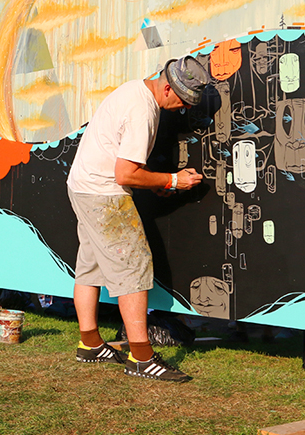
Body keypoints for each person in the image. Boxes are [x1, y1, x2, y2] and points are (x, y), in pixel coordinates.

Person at [66, 55, 208, 382]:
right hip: (103, 194)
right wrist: (172, 180)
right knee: (134, 265)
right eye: (185, 101)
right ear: (170, 89)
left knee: (91, 264)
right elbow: (124, 173)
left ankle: (89, 344)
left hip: (83, 187)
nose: (184, 109)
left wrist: (152, 183)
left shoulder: (133, 91)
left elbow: (125, 168)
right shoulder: (144, 110)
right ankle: (142, 357)